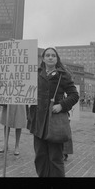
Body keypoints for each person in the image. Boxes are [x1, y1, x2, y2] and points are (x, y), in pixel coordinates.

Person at [27, 47, 79, 177]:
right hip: (38, 121)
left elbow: (74, 95)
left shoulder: (63, 74)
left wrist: (62, 105)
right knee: (40, 155)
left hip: (54, 120)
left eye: (53, 55)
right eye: (48, 55)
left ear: (57, 59)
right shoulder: (35, 73)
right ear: (43, 58)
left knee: (55, 158)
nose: (50, 57)